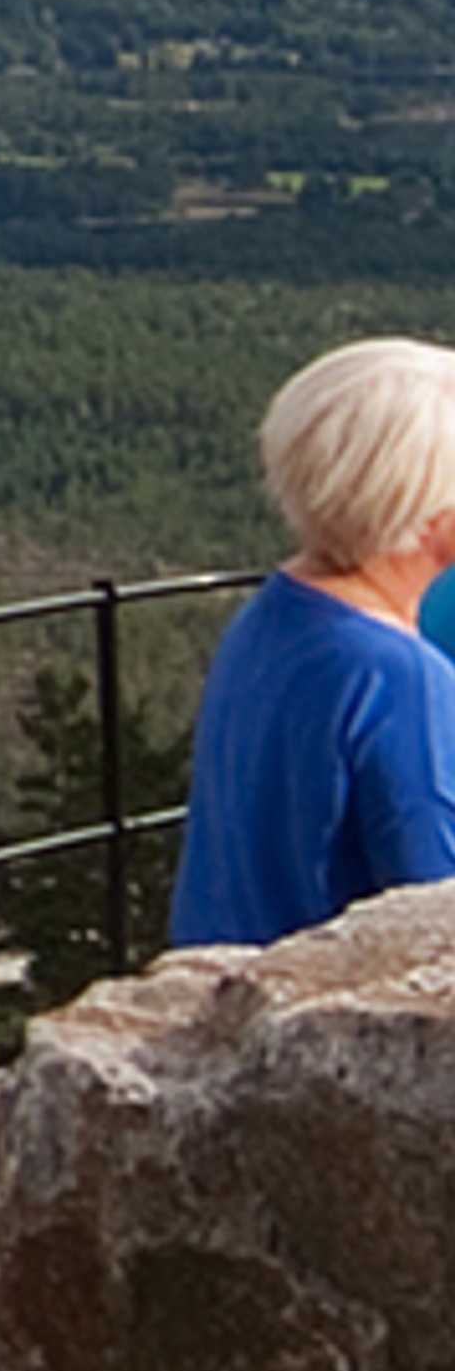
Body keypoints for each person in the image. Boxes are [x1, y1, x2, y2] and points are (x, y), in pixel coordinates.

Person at [169, 336, 455, 949]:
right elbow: (439, 913)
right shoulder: (402, 678)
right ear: (434, 514)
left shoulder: (273, 615)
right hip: (328, 1022)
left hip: (225, 981)